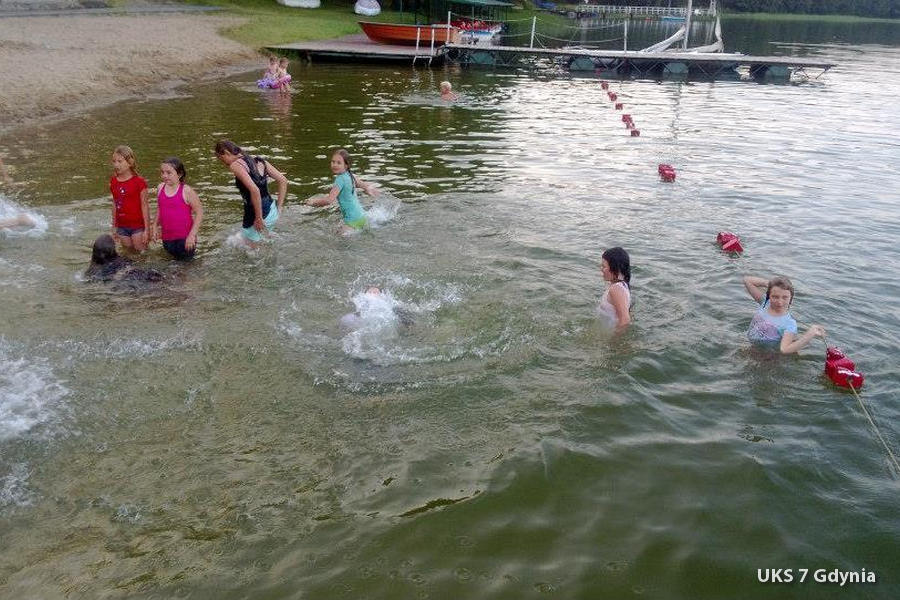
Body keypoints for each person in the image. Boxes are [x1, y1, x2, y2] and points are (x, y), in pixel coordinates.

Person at [214, 140, 288, 248]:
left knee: (251, 251)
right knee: (265, 244)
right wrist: (279, 207)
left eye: (221, 159)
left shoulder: (235, 165)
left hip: (255, 216)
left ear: (226, 152)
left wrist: (258, 218)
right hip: (272, 211)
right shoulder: (260, 161)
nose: (223, 163)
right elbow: (283, 180)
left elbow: (255, 190)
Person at [743, 275, 825, 354]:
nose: (780, 302)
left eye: (785, 297)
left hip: (767, 355)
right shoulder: (765, 303)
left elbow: (784, 349)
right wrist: (772, 284)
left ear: (791, 298)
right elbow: (747, 280)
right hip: (749, 344)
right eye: (775, 297)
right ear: (769, 296)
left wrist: (810, 334)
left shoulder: (789, 323)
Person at [306, 148, 377, 235]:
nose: (335, 165)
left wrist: (313, 202)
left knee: (336, 238)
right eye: (333, 162)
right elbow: (362, 184)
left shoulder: (340, 180)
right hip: (362, 216)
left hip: (352, 220)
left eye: (339, 163)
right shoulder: (350, 175)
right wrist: (368, 188)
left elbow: (329, 200)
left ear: (346, 165)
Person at [152, 157, 203, 261]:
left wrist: (192, 235)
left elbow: (199, 212)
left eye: (169, 173)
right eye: (162, 172)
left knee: (187, 266)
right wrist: (154, 226)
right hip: (167, 237)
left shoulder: (186, 191)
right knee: (171, 264)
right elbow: (160, 207)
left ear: (179, 174)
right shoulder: (160, 188)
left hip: (185, 239)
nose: (164, 175)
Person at [109, 145, 150, 251]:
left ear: (130, 162)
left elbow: (145, 206)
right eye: (114, 161)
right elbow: (115, 204)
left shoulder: (139, 182)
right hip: (122, 227)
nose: (116, 165)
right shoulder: (113, 181)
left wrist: (147, 230)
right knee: (128, 254)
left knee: (141, 254)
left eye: (120, 161)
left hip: (138, 227)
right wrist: (114, 227)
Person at [84, 234, 161, 283]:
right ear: (112, 249)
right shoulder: (121, 261)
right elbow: (132, 264)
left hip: (112, 281)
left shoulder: (90, 271)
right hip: (128, 279)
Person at [597, 246, 631, 331]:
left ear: (616, 268)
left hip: (609, 334)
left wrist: (614, 339)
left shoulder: (616, 289)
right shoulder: (623, 285)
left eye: (604, 266)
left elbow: (625, 320)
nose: (601, 269)